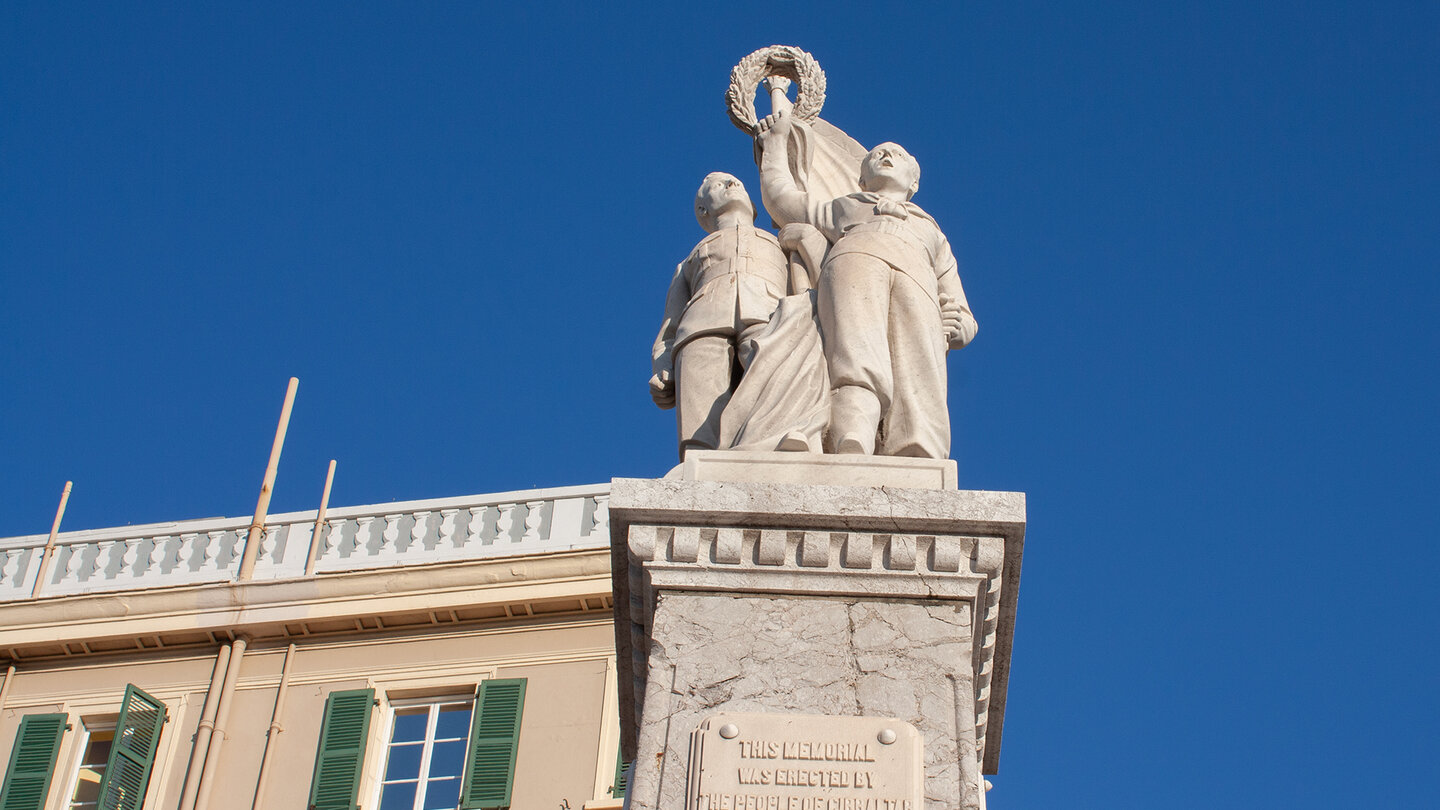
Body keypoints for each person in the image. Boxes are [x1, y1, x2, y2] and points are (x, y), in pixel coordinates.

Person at [757, 110, 978, 458]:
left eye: (899, 154)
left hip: (917, 281)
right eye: (877, 154)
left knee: (919, 367)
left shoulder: (932, 232)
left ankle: (916, 444)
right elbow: (782, 199)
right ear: (860, 180)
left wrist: (960, 326)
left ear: (914, 182)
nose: (887, 155)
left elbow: (959, 305)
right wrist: (774, 145)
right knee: (857, 355)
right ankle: (852, 436)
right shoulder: (844, 208)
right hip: (855, 260)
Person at [650, 173, 789, 457]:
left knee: (773, 379)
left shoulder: (783, 244)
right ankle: (698, 455)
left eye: (736, 181)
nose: (732, 184)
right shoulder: (688, 262)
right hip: (702, 323)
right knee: (701, 391)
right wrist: (662, 366)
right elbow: (669, 326)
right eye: (719, 185)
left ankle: (772, 447)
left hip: (767, 315)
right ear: (704, 209)